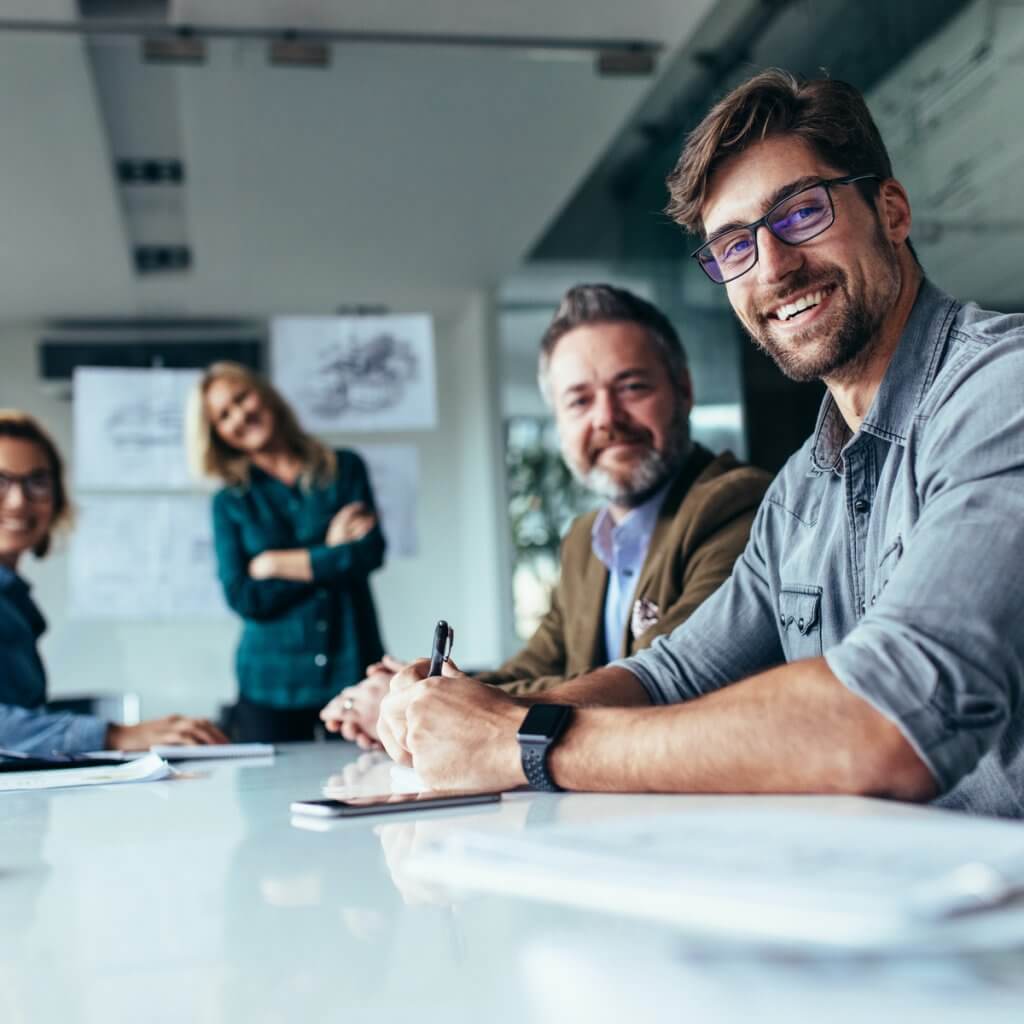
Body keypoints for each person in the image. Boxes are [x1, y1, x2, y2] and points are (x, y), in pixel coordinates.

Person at [375, 69, 1024, 818]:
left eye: (802, 213)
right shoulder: (802, 491)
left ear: (892, 209)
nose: (773, 266)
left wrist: (526, 741)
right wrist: (465, 717)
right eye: (734, 247)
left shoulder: (999, 391)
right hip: (899, 901)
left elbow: (885, 722)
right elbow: (670, 676)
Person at [321, 285, 770, 746]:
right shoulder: (584, 540)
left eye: (632, 387)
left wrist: (427, 706)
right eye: (579, 400)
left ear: (684, 390)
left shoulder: (734, 505)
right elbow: (537, 666)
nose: (606, 418)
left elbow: (660, 680)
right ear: (559, 420)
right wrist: (425, 693)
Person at [0, 410, 227, 755]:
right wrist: (116, 735)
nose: (19, 501)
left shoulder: (14, 597)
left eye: (37, 481)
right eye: (0, 481)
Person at [189, 362, 386, 742]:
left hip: (352, 667)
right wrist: (329, 551)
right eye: (223, 415)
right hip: (270, 684)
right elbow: (245, 596)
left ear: (264, 394)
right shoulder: (230, 501)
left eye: (241, 397)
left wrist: (276, 563)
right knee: (265, 799)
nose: (240, 415)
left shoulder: (344, 468)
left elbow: (368, 554)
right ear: (217, 434)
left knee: (367, 786)